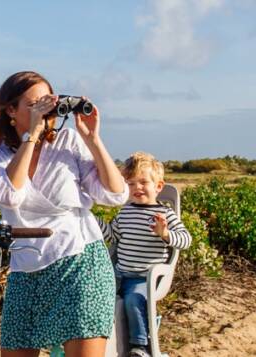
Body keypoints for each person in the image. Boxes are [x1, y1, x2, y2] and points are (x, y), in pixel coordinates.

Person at [0, 71, 128, 357]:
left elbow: (114, 194)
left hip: (80, 262)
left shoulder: (68, 142)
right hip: (26, 270)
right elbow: (11, 193)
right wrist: (32, 136)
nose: (46, 110)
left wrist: (93, 140)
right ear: (11, 109)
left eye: (48, 102)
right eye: (36, 104)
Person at [105, 152, 190, 357]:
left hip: (145, 278)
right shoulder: (125, 212)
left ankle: (140, 346)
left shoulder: (165, 215)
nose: (137, 188)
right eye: (131, 184)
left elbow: (186, 240)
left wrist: (165, 234)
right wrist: (90, 220)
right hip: (119, 274)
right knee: (98, 298)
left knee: (133, 299)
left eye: (143, 182)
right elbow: (112, 235)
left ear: (158, 186)